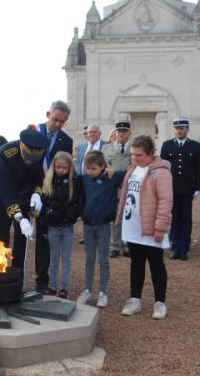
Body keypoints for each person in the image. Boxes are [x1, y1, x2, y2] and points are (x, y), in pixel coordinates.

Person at [0, 129, 47, 280]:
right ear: (21, 148)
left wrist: (37, 194)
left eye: (32, 160)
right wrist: (20, 218)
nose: (29, 162)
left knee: (22, 238)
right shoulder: (4, 155)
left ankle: (17, 279)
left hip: (21, 194)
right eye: (26, 158)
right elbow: (5, 191)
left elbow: (37, 177)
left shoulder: (39, 153)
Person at [119, 135, 172, 320]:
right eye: (133, 155)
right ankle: (135, 299)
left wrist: (160, 227)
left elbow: (166, 201)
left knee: (156, 264)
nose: (135, 158)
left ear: (150, 154)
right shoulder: (133, 168)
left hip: (150, 226)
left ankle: (160, 302)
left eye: (139, 155)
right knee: (136, 263)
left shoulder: (161, 171)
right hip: (132, 226)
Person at [30, 100, 74, 292]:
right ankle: (15, 275)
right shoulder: (32, 130)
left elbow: (64, 169)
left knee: (43, 238)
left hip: (49, 194)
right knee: (22, 234)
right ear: (48, 114)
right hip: (28, 189)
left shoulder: (67, 140)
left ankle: (42, 280)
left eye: (61, 122)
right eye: (55, 119)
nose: (57, 124)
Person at [77, 150, 126, 308]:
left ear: (102, 166)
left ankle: (103, 292)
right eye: (87, 168)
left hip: (104, 226)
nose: (90, 172)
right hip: (88, 225)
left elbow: (130, 170)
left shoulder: (111, 177)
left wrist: (111, 170)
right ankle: (87, 289)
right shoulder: (83, 179)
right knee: (90, 259)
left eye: (93, 169)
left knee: (104, 259)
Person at [159, 119, 200, 261]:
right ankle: (175, 246)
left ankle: (184, 248)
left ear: (187, 130)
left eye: (182, 128)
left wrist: (199, 187)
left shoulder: (195, 146)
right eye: (177, 128)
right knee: (174, 218)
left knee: (186, 219)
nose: (180, 130)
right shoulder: (167, 146)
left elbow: (199, 168)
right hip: (171, 189)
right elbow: (162, 168)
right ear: (174, 129)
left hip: (187, 190)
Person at [41, 151, 83, 299]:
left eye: (64, 167)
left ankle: (64, 287)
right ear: (54, 166)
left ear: (70, 167)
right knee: (54, 257)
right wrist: (47, 218)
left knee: (66, 258)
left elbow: (80, 201)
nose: (61, 170)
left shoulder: (76, 181)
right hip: (52, 225)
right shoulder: (48, 180)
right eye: (58, 167)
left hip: (67, 226)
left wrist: (72, 214)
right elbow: (44, 203)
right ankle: (52, 285)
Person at [103, 121, 132, 257]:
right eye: (119, 131)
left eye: (124, 131)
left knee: (128, 215)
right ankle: (114, 245)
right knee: (114, 215)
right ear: (115, 133)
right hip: (112, 187)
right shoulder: (106, 148)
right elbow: (103, 166)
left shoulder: (134, 149)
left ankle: (127, 244)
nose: (121, 133)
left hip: (130, 187)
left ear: (129, 133)